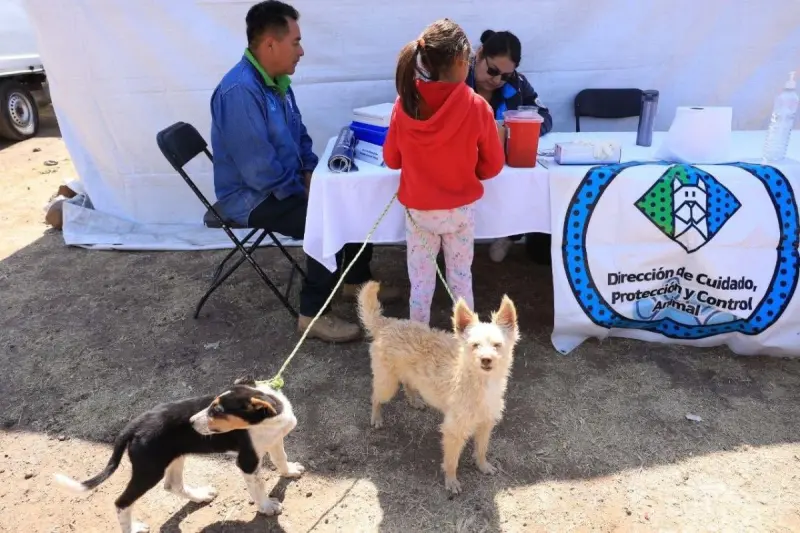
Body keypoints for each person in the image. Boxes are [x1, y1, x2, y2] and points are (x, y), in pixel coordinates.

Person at [210, 1, 399, 343]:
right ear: (270, 44)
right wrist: (307, 189)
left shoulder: (277, 81)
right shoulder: (239, 92)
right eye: (295, 42)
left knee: (350, 196)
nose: (301, 50)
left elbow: (300, 136)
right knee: (329, 214)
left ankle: (355, 282)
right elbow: (259, 172)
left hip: (282, 185)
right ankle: (312, 314)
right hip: (252, 198)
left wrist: (312, 172)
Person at [383, 19, 505, 324]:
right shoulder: (477, 107)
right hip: (459, 213)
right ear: (462, 62)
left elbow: (392, 159)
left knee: (421, 286)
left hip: (419, 212)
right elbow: (492, 166)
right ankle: (468, 344)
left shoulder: (405, 103)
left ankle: (416, 343)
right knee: (461, 281)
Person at [466, 29, 554, 264]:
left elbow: (545, 116)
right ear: (480, 54)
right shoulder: (457, 76)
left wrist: (516, 127)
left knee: (533, 184)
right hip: (465, 161)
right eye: (492, 70)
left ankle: (511, 234)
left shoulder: (519, 83)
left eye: (505, 75)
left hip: (505, 163)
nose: (496, 79)